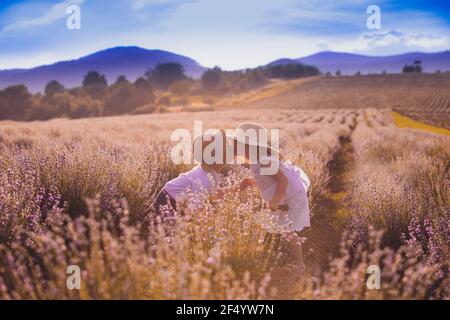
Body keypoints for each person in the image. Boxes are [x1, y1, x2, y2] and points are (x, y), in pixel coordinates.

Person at [233, 122, 311, 269]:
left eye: (237, 143)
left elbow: (282, 180)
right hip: (283, 195)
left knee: (287, 228)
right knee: (277, 225)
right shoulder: (257, 161)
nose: (234, 146)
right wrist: (252, 181)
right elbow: (267, 178)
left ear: (248, 145)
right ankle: (270, 252)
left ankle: (299, 263)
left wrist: (275, 201)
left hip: (289, 197)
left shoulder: (264, 161)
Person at [152, 129, 234, 225]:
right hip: (168, 201)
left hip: (174, 199)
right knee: (171, 233)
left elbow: (214, 194)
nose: (231, 152)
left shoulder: (209, 173)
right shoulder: (205, 179)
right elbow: (197, 210)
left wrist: (238, 187)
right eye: (228, 150)